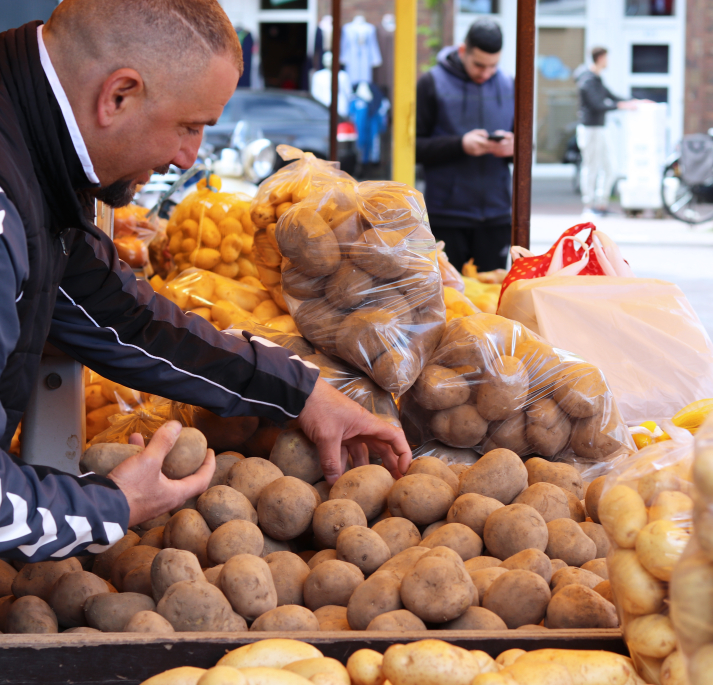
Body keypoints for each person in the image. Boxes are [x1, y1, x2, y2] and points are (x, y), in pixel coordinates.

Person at [0, 0, 411, 563]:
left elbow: (119, 317)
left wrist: (297, 391)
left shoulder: (33, 149)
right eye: (188, 127)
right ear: (118, 95)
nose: (187, 157)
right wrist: (112, 506)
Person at [416, 18, 515, 272]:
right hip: (447, 216)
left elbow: (526, 148)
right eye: (479, 65)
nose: (486, 73)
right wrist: (460, 145)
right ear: (462, 51)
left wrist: (513, 149)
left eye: (493, 66)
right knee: (447, 301)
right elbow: (412, 148)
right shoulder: (430, 83)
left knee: (492, 302)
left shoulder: (511, 84)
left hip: (497, 215)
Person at [575, 47, 636, 216]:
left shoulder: (597, 79)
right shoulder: (587, 80)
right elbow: (597, 104)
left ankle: (601, 203)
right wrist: (621, 106)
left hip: (601, 128)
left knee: (610, 166)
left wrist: (633, 101)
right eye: (606, 58)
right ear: (600, 58)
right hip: (590, 129)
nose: (608, 62)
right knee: (591, 166)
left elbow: (612, 96)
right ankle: (589, 204)